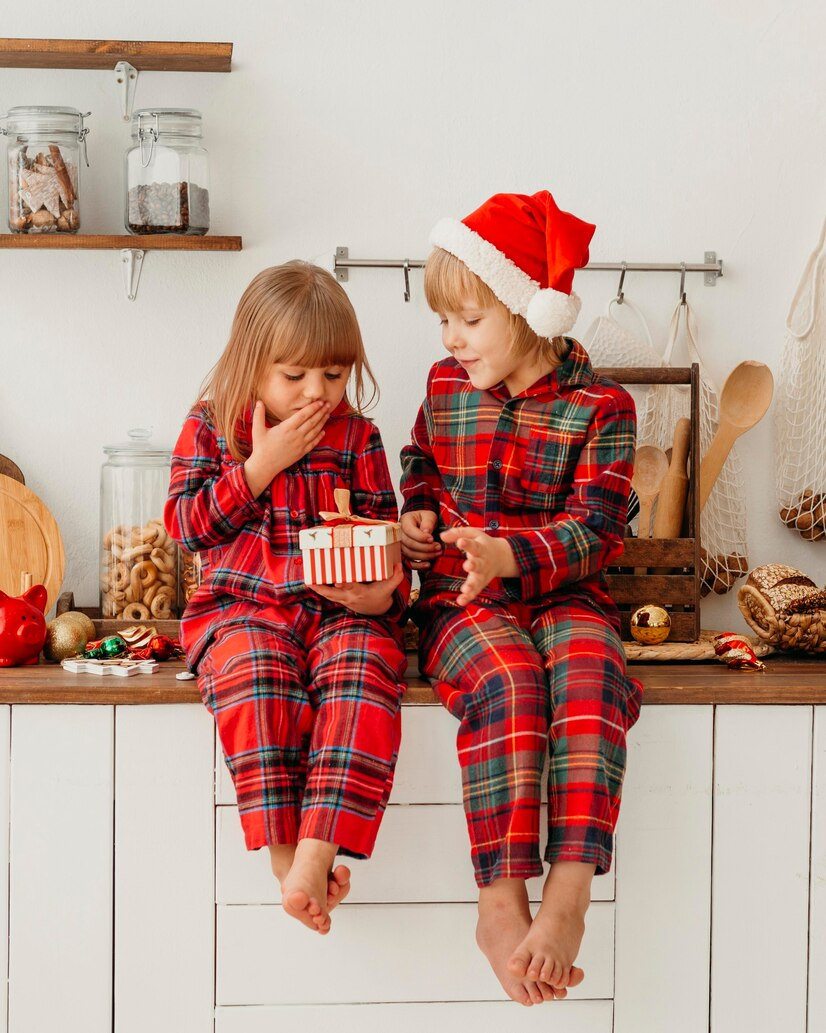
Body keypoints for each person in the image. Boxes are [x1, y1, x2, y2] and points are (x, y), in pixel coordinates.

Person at [400, 191, 643, 1006]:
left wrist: (512, 554)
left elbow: (597, 530)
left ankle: (568, 897)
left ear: (530, 311)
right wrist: (419, 510)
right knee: (506, 682)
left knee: (587, 670)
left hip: (565, 592)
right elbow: (420, 461)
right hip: (462, 599)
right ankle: (500, 901)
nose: (450, 339)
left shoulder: (601, 408)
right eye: (444, 321)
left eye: (468, 318)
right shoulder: (445, 386)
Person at [166, 261, 409, 935]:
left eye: (333, 376)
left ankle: (317, 849)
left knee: (365, 674)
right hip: (240, 612)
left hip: (337, 616)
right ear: (251, 361)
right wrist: (260, 466)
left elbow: (384, 544)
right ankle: (288, 860)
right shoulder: (212, 426)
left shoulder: (358, 438)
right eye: (294, 375)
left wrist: (379, 595)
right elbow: (186, 526)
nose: (316, 394)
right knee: (256, 674)